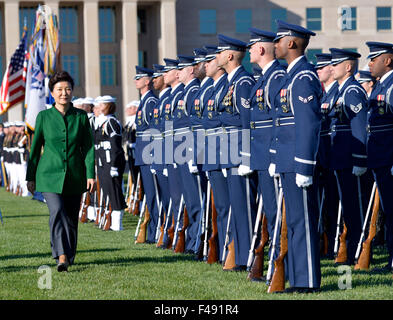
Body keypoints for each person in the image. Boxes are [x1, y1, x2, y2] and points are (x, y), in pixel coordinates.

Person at [26, 70, 95, 272]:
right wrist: (30, 177)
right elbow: (35, 149)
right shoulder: (44, 117)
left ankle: (69, 253)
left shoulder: (81, 117)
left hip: (75, 175)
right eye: (59, 90)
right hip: (48, 175)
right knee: (56, 211)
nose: (64, 93)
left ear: (72, 91)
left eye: (67, 89)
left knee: (71, 216)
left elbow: (88, 147)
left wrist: (90, 174)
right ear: (52, 93)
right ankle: (61, 256)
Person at [272, 20, 322, 292]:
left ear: (291, 43)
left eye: (279, 40)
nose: (275, 45)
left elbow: (308, 125)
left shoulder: (303, 78)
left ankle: (308, 281)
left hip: (297, 162)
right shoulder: (291, 76)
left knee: (302, 221)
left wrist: (305, 165)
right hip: (287, 160)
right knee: (293, 221)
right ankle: (297, 276)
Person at [215, 34, 258, 271]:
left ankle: (248, 257)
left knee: (245, 208)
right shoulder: (232, 82)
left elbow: (246, 122)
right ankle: (240, 255)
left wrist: (246, 157)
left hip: (240, 153)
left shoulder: (242, 83)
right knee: (237, 206)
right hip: (230, 152)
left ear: (229, 56)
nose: (217, 56)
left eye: (220, 53)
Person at [328, 48, 368, 265]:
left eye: (336, 64)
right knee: (347, 204)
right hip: (340, 157)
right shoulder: (340, 90)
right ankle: (351, 249)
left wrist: (359, 159)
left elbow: (359, 126)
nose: (331, 68)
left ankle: (357, 251)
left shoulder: (352, 91)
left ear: (348, 66)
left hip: (350, 158)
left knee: (354, 207)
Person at [365, 41, 393, 273]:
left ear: (388, 60)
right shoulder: (380, 86)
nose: (369, 63)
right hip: (380, 159)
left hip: (389, 159)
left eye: (374, 59)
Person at [314, 53, 340, 259]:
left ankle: (336, 247)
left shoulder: (339, 93)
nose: (317, 72)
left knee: (334, 205)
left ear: (331, 69)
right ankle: (326, 244)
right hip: (322, 157)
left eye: (321, 68)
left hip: (334, 157)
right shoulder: (324, 95)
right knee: (323, 205)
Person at [95, 95, 127, 231]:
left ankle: (117, 223)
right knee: (107, 190)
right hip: (103, 162)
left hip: (110, 162)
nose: (97, 108)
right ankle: (112, 221)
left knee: (114, 192)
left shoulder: (111, 122)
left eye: (100, 105)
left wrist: (114, 165)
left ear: (107, 106)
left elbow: (115, 146)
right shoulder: (102, 123)